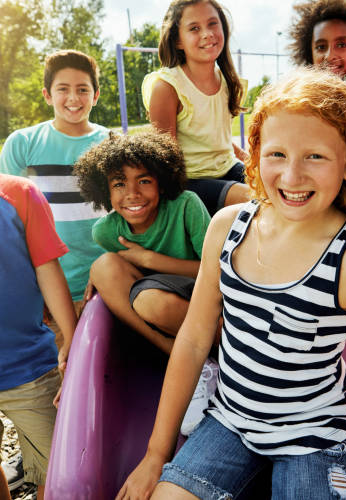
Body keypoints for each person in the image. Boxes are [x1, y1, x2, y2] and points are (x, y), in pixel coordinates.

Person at [116, 67, 346, 500]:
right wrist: (156, 454)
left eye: (315, 156)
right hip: (231, 421)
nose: (291, 177)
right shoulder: (228, 228)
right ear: (254, 154)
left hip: (318, 438)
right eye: (276, 155)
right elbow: (195, 340)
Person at [74, 129, 215, 434]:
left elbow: (217, 271)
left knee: (153, 302)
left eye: (144, 180)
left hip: (201, 302)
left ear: (162, 184)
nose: (132, 193)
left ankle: (206, 356)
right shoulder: (107, 231)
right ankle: (190, 362)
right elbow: (118, 271)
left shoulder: (186, 206)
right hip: (157, 314)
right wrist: (98, 276)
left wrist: (151, 260)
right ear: (105, 192)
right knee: (102, 266)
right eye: (119, 184)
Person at [0, 50, 108, 326]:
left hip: (105, 286)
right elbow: (10, 225)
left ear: (95, 96)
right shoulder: (22, 144)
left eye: (83, 89)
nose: (73, 98)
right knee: (60, 364)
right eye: (63, 89)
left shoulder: (111, 142)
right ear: (47, 94)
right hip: (48, 291)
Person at [0, 174, 77, 500]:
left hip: (27, 365)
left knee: (60, 470)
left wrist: (72, 338)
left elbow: (48, 267)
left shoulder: (19, 194)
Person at [141, 0, 249, 216]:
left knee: (273, 184)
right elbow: (164, 159)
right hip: (190, 180)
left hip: (226, 168)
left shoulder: (227, 82)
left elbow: (217, 140)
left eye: (212, 24)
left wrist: (252, 162)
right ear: (178, 40)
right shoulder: (168, 87)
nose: (207, 34)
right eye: (194, 28)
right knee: (251, 197)